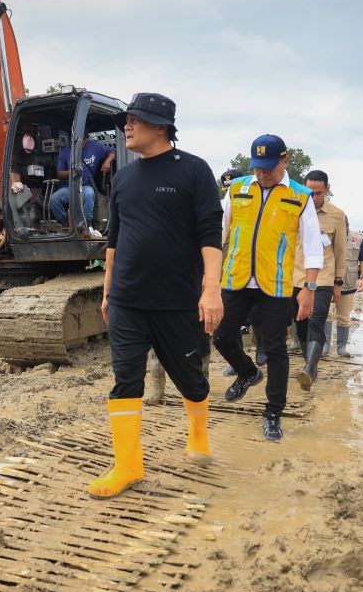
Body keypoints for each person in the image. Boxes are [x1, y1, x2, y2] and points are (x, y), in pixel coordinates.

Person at [91, 92, 224, 498]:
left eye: (135, 120)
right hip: (127, 300)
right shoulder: (124, 178)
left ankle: (198, 432)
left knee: (190, 379)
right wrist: (108, 290)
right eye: (126, 120)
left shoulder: (194, 170)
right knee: (125, 380)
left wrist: (211, 290)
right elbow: (114, 239)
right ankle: (128, 466)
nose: (126, 127)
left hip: (177, 301)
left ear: (162, 127)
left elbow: (210, 234)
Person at [214, 134, 321, 442]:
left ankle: (273, 412)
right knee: (221, 336)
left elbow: (313, 246)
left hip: (274, 283)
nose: (262, 174)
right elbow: (218, 231)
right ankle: (248, 372)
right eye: (257, 168)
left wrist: (309, 287)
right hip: (235, 278)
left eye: (268, 168)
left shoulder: (300, 196)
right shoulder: (237, 188)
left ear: (284, 162)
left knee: (275, 349)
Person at [292, 169, 346, 390]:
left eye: (319, 193)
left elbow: (340, 249)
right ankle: (311, 367)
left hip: (323, 278)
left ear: (327, 190)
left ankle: (308, 368)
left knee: (317, 321)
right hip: (296, 277)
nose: (313, 198)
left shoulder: (336, 215)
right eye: (309, 192)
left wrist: (338, 282)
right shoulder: (292, 209)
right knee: (301, 325)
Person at [49, 135, 116, 239]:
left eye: (83, 139)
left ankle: (86, 225)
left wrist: (107, 161)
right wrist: (72, 172)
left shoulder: (95, 147)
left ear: (87, 138)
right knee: (54, 199)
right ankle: (64, 225)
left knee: (89, 194)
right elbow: (60, 173)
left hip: (86, 185)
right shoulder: (66, 152)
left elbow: (113, 151)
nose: (80, 141)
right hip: (69, 187)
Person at [323, 219, 363, 357]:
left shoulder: (358, 239)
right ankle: (324, 347)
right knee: (326, 315)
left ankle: (341, 348)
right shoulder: (326, 236)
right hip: (327, 282)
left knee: (343, 316)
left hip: (347, 283)